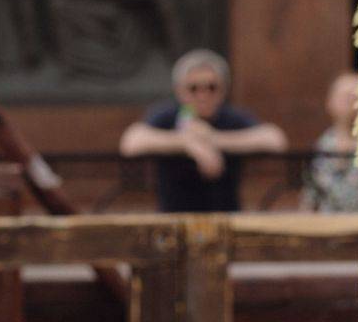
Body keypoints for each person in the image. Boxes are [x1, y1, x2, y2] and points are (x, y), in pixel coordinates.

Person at [119, 49, 288, 213]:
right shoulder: (169, 115)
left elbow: (275, 139)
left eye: (212, 87)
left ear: (223, 90)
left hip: (226, 218)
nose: (203, 95)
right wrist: (187, 143)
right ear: (179, 90)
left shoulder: (230, 116)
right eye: (194, 88)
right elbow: (131, 142)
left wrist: (212, 138)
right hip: (173, 220)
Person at [302, 71, 358, 214]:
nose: (351, 102)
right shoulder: (320, 148)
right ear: (330, 102)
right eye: (345, 96)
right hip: (326, 224)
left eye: (356, 96)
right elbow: (309, 200)